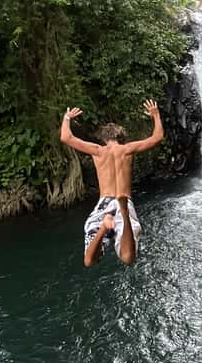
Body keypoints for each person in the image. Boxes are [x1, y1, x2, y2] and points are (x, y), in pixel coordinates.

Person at [60, 99, 164, 267]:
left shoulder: (98, 151)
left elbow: (65, 137)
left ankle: (103, 228)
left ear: (104, 138)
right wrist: (156, 115)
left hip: (104, 202)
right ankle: (123, 212)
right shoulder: (127, 149)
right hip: (124, 198)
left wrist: (67, 118)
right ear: (121, 137)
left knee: (89, 261)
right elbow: (157, 137)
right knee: (128, 258)